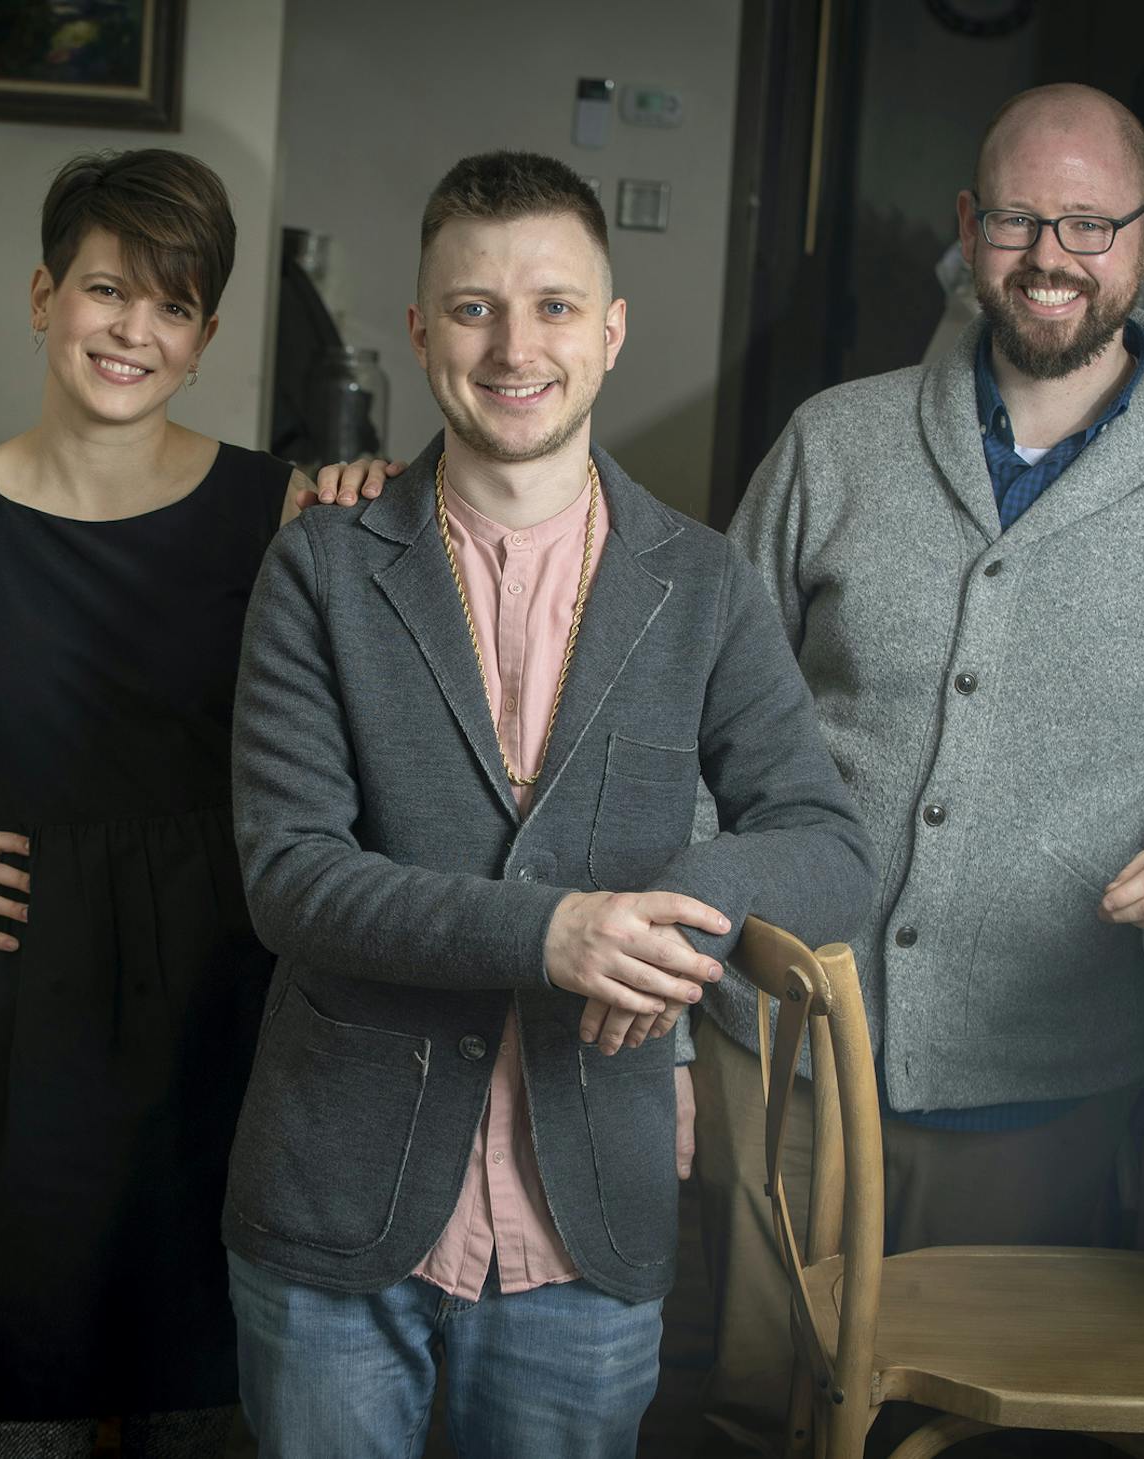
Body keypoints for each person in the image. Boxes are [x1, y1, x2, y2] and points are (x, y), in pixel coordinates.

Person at [697, 83, 1144, 1454]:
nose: (1052, 255)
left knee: (975, 1431)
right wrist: (691, 965)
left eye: (1090, 222)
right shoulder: (833, 440)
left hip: (1040, 1076)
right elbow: (705, 712)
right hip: (779, 1053)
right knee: (749, 1406)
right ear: (969, 229)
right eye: (1019, 220)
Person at [224, 149, 873, 1459]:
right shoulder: (320, 568)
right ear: (421, 333)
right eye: (474, 308)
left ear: (611, 332)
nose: (515, 347)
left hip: (590, 1215)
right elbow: (289, 876)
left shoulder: (705, 584)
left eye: (555, 306)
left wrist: (693, 895)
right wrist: (551, 934)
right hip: (336, 1198)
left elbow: (831, 849)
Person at [0, 147, 384, 1459]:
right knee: (28, 1380)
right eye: (107, 290)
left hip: (231, 976)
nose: (133, 331)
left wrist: (370, 511)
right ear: (44, 297)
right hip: (37, 982)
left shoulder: (278, 507)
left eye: (172, 306)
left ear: (204, 340)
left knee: (200, 1390)